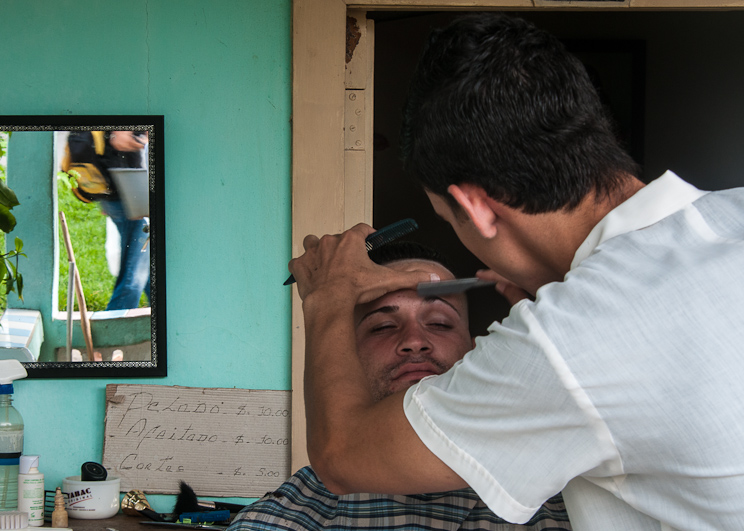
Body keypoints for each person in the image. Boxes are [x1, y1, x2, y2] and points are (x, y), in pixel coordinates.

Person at [287, 12, 744, 530]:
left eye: (446, 218)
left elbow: (342, 454)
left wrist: (326, 293)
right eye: (384, 323)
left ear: (476, 207)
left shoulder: (570, 340)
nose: (414, 340)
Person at [232, 242, 571, 531]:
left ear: (473, 349)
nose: (414, 341)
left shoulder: (560, 507)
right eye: (381, 327)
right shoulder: (286, 519)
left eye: (439, 323)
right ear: (342, 355)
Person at [66, 129, 151, 310]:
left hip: (112, 192)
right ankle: (113, 332)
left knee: (144, 266)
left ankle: (167, 318)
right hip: (130, 196)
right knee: (133, 276)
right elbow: (120, 139)